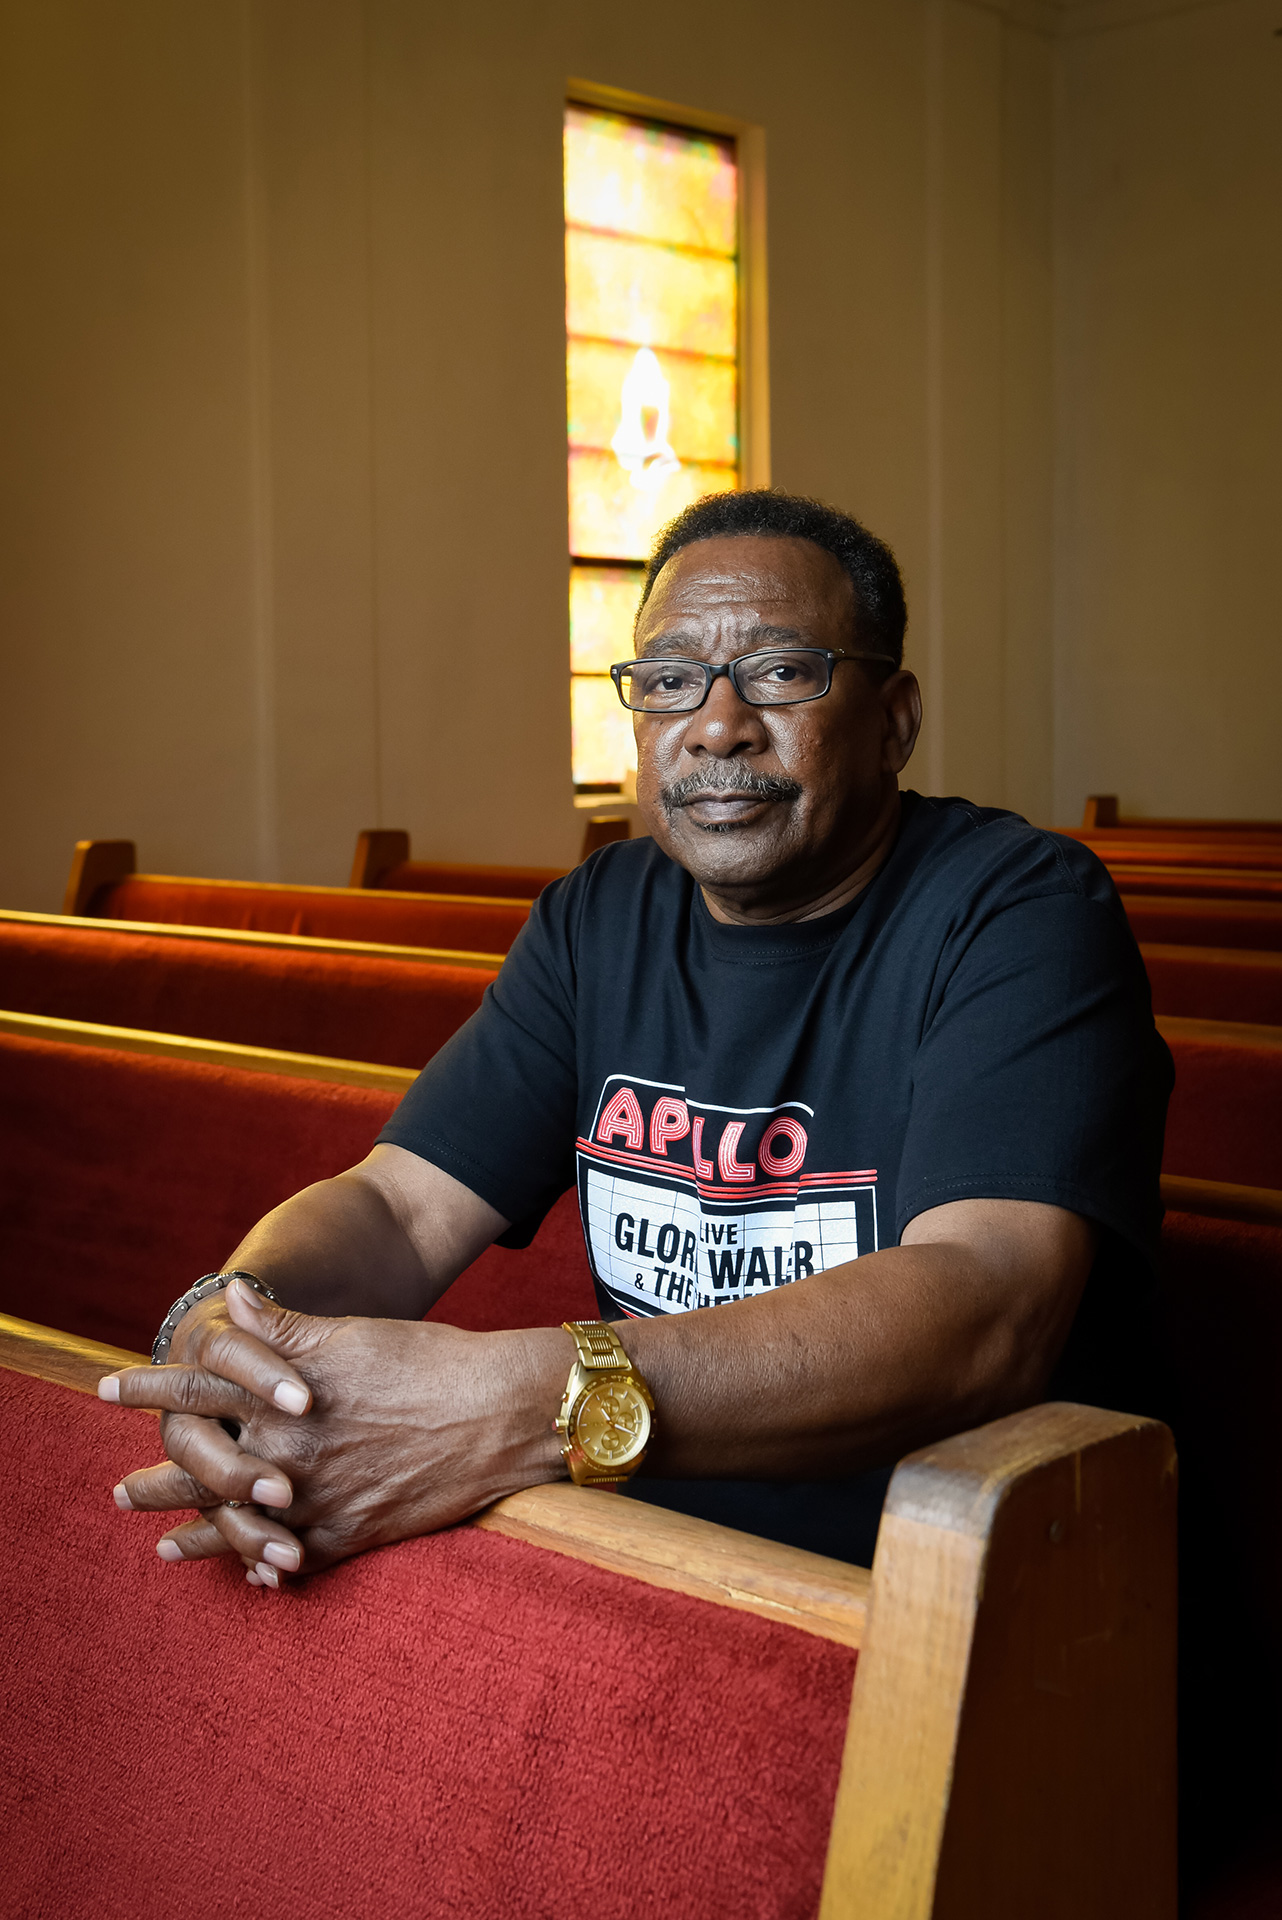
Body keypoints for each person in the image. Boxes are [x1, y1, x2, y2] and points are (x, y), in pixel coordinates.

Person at [99, 489, 1171, 1587]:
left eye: (781, 670)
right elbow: (398, 1205)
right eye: (668, 681)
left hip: (954, 1585)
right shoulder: (597, 916)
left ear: (893, 719)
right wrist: (234, 1331)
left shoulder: (1019, 908)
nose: (716, 722)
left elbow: (985, 1303)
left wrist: (528, 1403)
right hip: (648, 1555)